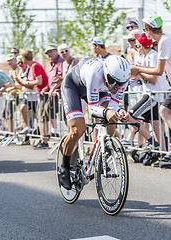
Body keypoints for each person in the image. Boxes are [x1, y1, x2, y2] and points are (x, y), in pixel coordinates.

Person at [60, 55, 130, 189]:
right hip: (73, 87)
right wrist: (106, 112)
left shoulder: (121, 80)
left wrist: (118, 112)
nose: (117, 87)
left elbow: (113, 106)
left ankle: (101, 156)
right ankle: (64, 168)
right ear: (107, 74)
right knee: (78, 129)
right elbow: (92, 109)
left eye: (120, 84)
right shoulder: (95, 72)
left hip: (100, 89)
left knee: (111, 120)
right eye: (114, 83)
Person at [131, 15, 171, 162]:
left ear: (148, 30)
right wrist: (138, 69)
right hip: (166, 89)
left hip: (160, 92)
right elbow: (157, 69)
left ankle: (161, 149)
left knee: (163, 112)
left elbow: (158, 72)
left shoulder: (163, 42)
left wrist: (137, 69)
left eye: (144, 29)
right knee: (160, 117)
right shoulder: (165, 40)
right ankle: (165, 153)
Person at [19, 49, 49, 149]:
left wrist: (26, 83)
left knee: (40, 118)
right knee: (40, 117)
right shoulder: (33, 66)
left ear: (23, 58)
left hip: (42, 94)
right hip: (41, 93)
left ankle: (44, 140)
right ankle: (42, 139)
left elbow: (39, 81)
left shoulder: (34, 66)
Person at [44, 43, 64, 137]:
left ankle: (70, 134)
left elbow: (61, 77)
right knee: (49, 109)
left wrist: (53, 88)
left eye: (51, 51)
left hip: (59, 92)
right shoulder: (52, 63)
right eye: (48, 52)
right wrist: (47, 88)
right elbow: (52, 78)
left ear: (56, 51)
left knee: (63, 114)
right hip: (53, 92)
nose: (49, 54)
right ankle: (54, 131)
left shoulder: (60, 61)